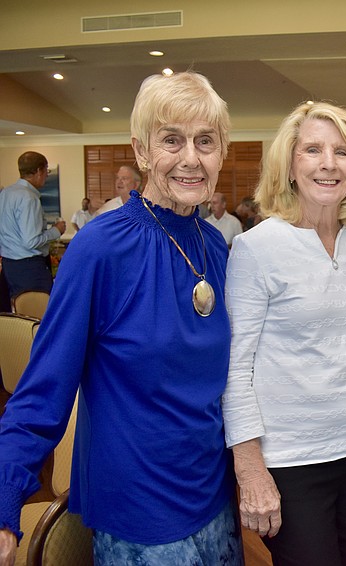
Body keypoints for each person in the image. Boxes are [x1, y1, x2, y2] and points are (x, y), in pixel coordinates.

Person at [0, 71, 243, 565]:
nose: (192, 158)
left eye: (206, 141)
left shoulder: (215, 245)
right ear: (141, 150)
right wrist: (4, 502)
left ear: (222, 152)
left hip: (215, 496)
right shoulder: (101, 248)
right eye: (171, 140)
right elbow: (44, 386)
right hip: (140, 510)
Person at [222, 102, 346, 566]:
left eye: (342, 152)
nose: (328, 163)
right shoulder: (257, 248)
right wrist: (249, 467)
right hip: (290, 459)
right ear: (290, 165)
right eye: (313, 150)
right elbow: (234, 367)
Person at [0, 152, 66, 298]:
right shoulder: (29, 198)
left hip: (9, 265)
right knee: (42, 314)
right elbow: (31, 241)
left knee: (20, 313)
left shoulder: (6, 193)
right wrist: (57, 230)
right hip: (28, 267)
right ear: (38, 171)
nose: (47, 176)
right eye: (46, 171)